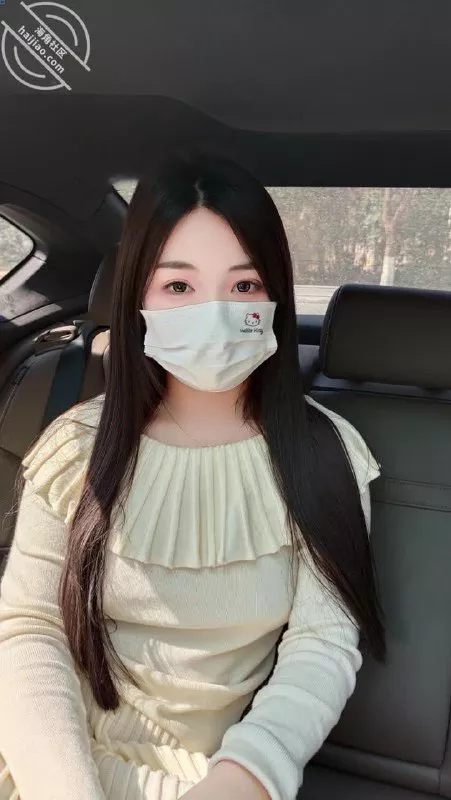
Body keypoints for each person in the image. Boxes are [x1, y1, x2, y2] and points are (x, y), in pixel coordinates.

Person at [0, 151, 385, 800]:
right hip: (47, 764)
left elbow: (322, 645)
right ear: (138, 297)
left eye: (244, 285)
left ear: (275, 296)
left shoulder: (327, 455)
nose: (215, 312)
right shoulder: (73, 446)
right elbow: (28, 630)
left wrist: (245, 778)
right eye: (179, 287)